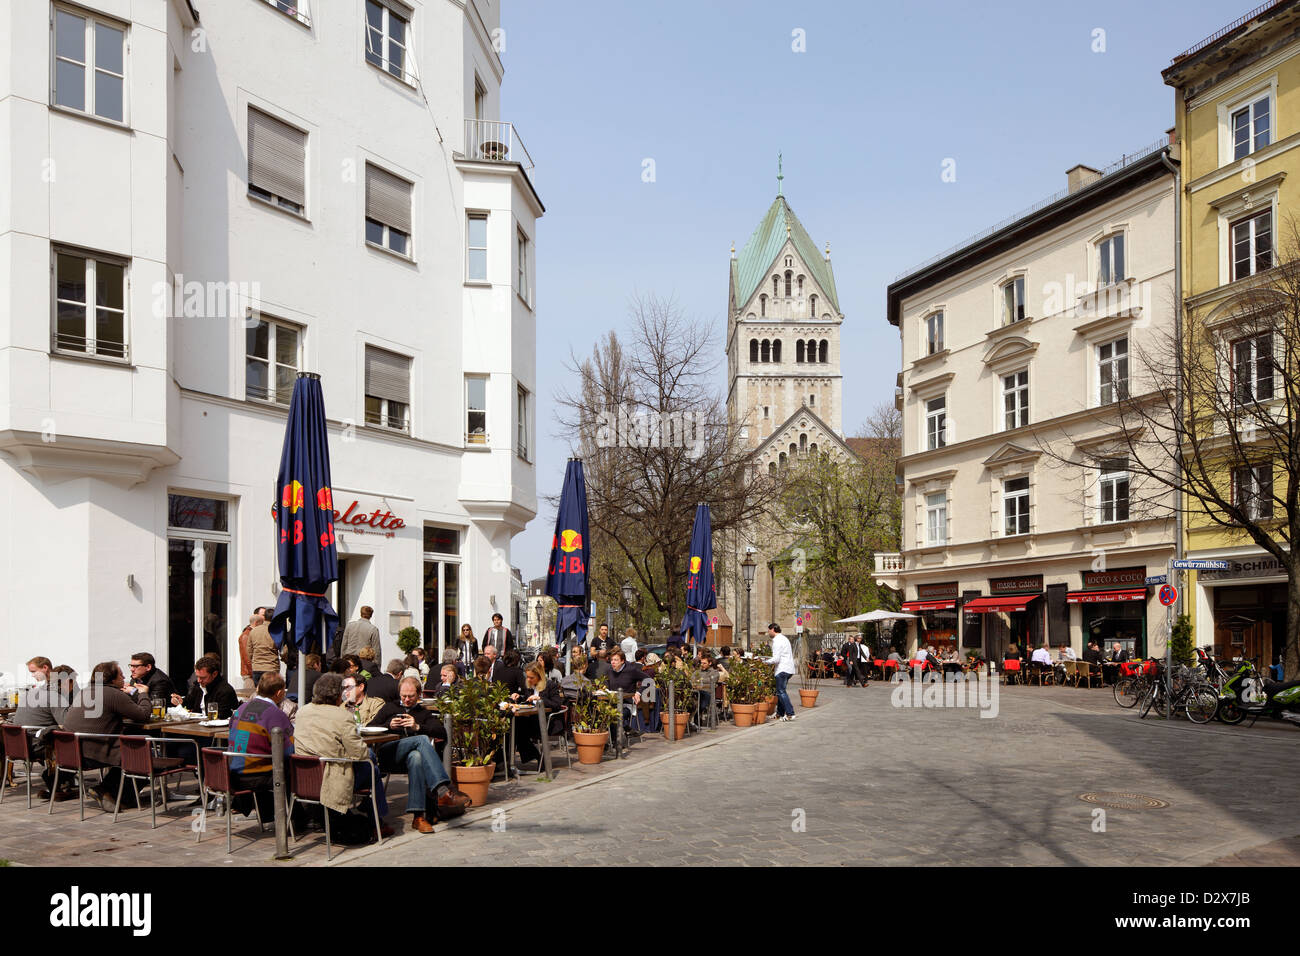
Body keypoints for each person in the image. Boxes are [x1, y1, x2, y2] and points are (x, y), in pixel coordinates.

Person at [293, 673, 389, 835]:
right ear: (338, 695)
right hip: (330, 780)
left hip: (304, 780)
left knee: (370, 762)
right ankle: (376, 821)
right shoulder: (342, 716)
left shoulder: (302, 712)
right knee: (371, 762)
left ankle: (372, 811)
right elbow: (359, 753)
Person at [367, 677, 469, 831]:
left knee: (417, 758)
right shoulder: (390, 708)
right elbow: (370, 727)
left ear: (419, 695)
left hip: (408, 760)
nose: (406, 700)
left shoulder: (422, 713)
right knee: (421, 740)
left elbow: (441, 732)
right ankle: (443, 791)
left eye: (411, 696)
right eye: (403, 696)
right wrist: (388, 725)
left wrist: (417, 726)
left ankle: (418, 817)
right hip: (389, 754)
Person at [62, 661, 153, 811]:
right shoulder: (113, 693)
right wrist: (143, 693)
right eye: (121, 674)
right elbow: (143, 715)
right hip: (92, 752)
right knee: (141, 756)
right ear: (112, 679)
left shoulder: (85, 691)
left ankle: (105, 790)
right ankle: (118, 797)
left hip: (71, 751)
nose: (125, 676)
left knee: (131, 752)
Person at [227, 673, 296, 821]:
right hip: (257, 776)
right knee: (294, 770)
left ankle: (267, 813)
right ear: (279, 693)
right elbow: (289, 750)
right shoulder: (275, 714)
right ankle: (296, 819)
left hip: (232, 774)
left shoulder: (241, 709)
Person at [13, 657, 70, 793]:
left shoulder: (29, 693)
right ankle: (57, 778)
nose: (32, 676)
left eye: (33, 672)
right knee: (74, 744)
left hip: (18, 745)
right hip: (36, 745)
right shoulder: (54, 695)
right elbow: (67, 723)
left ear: (45, 668)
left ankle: (61, 779)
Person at [515, 661, 563, 767]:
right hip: (533, 719)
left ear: (539, 676)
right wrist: (519, 697)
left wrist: (540, 699)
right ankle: (537, 757)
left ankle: (538, 758)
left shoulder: (550, 685)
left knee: (518, 729)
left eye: (531, 677)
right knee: (514, 726)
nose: (528, 680)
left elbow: (557, 704)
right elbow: (528, 701)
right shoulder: (530, 686)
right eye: (527, 677)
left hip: (548, 721)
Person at [171, 656, 239, 718]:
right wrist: (181, 701)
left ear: (214, 674)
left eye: (203, 677)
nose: (199, 680)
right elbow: (189, 703)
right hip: (197, 726)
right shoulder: (198, 686)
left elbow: (222, 717)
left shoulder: (225, 691)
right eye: (197, 676)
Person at [764, 623, 797, 722]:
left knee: (781, 692)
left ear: (773, 629)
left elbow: (776, 659)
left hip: (782, 669)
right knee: (780, 692)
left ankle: (790, 713)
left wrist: (765, 661)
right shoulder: (784, 639)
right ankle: (779, 713)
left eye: (769, 630)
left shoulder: (777, 641)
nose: (768, 632)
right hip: (789, 668)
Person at [246, 613, 279, 688]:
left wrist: (254, 661)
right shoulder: (275, 631)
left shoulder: (254, 631)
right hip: (271, 666)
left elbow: (249, 650)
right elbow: (284, 650)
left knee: (259, 693)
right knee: (271, 693)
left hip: (257, 667)